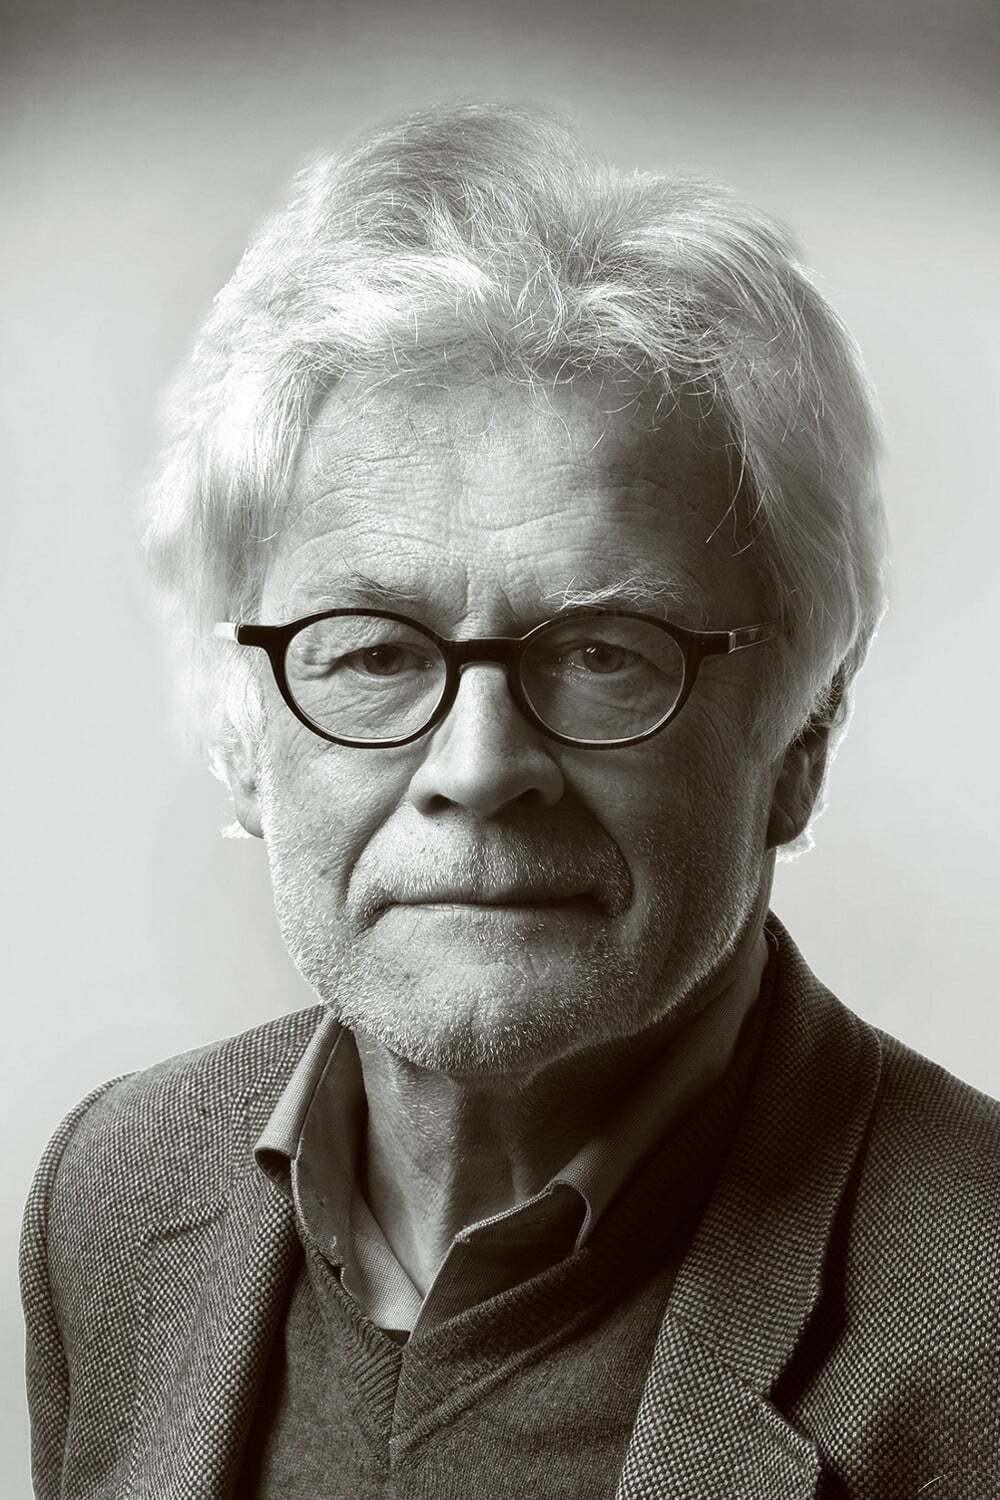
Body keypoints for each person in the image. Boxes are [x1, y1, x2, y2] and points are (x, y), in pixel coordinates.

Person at [20, 103, 999, 1499]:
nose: (478, 769)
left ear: (803, 735)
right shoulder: (114, 1193)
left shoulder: (978, 1319)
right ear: (244, 734)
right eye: (373, 653)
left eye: (604, 654)